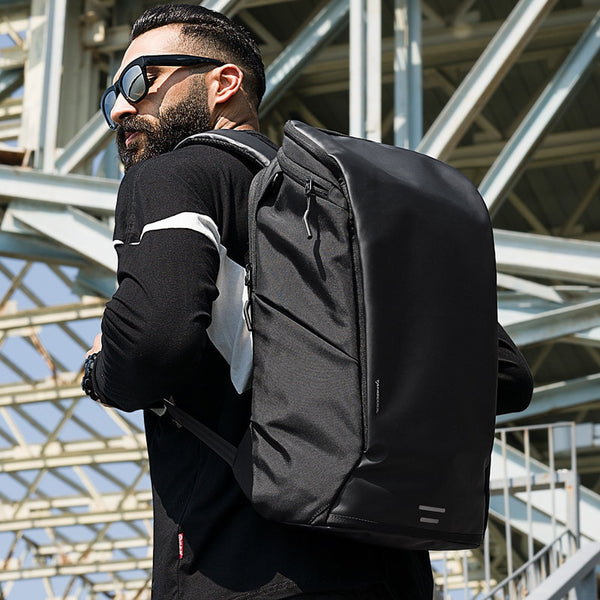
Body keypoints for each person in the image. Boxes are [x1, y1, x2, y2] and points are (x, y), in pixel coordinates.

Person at [82, 4, 533, 599]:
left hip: (241, 568)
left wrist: (101, 369)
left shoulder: (174, 175)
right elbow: (503, 377)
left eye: (140, 81)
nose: (119, 106)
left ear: (223, 83)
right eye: (113, 91)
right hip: (391, 575)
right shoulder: (361, 211)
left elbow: (153, 339)